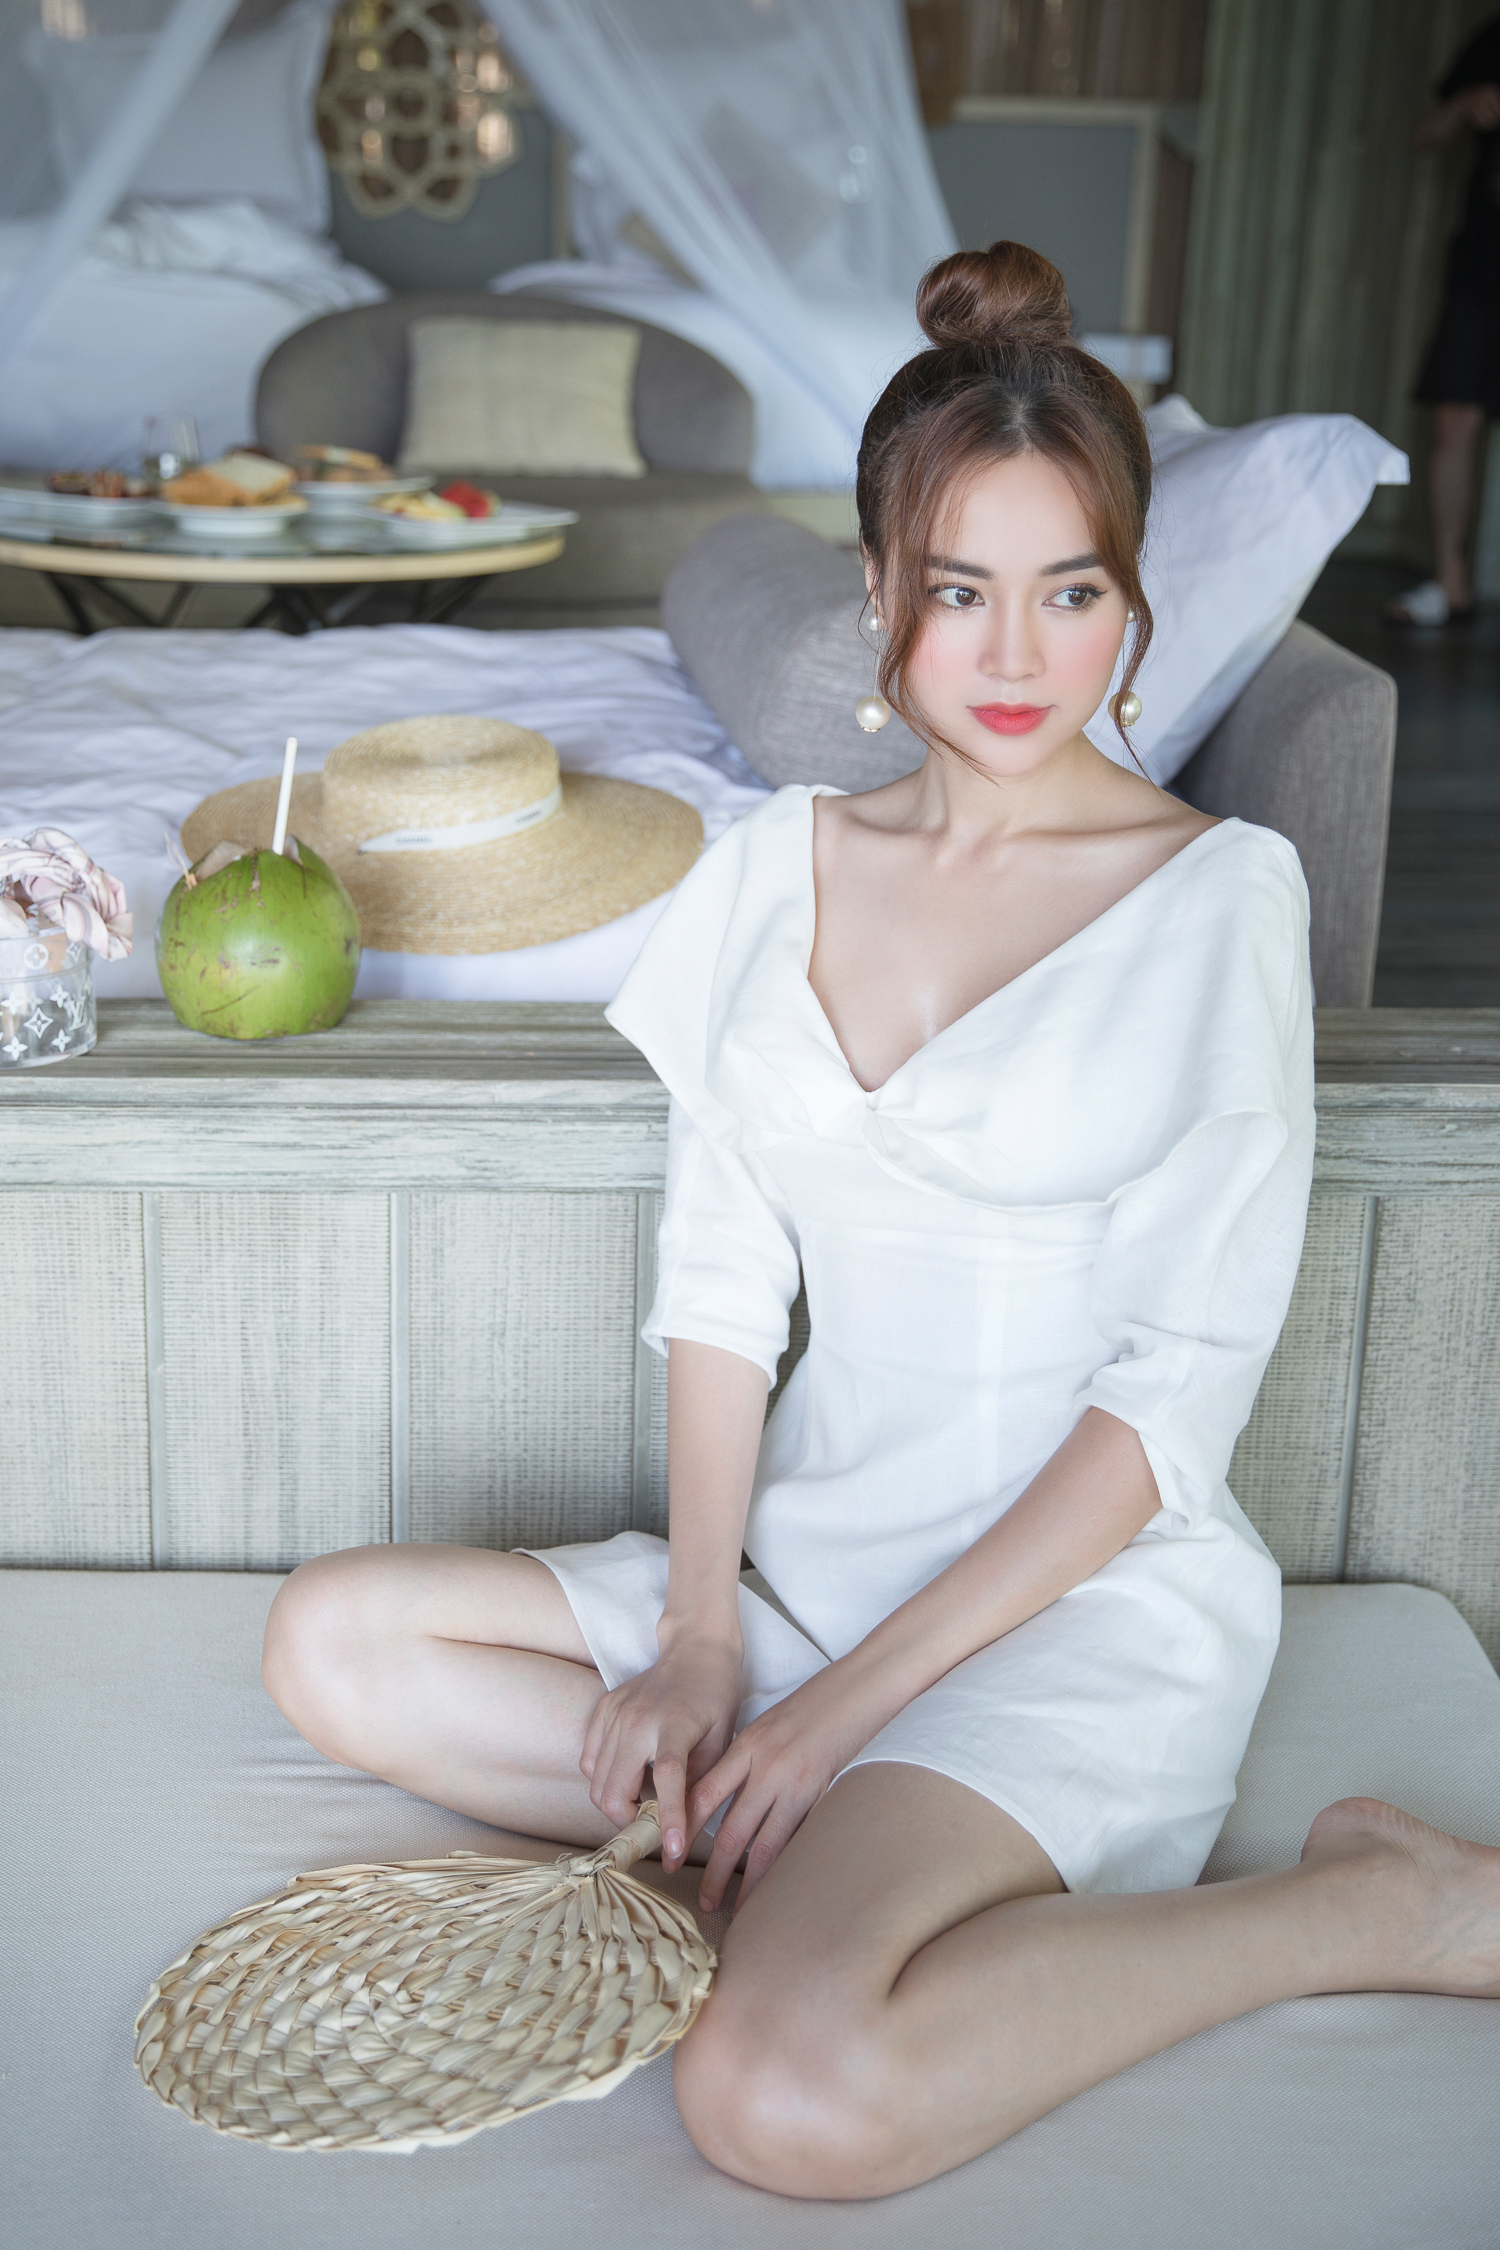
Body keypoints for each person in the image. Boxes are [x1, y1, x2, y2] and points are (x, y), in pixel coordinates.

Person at [262, 242, 1500, 2201]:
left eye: (1070, 590)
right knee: (333, 1645)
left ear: (1132, 606)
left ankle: (1361, 1908)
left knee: (784, 2099)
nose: (1016, 657)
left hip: (1068, 1604)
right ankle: (804, 1815)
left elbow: (1171, 1400)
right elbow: (721, 1281)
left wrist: (839, 1708)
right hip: (800, 1577)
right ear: (879, 597)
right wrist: (700, 1639)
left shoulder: (1221, 902)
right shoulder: (775, 865)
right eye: (958, 590)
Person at [1389, 15, 1500, 625]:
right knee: (1453, 421)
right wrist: (1464, 105)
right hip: (1483, 262)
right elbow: (1424, 133)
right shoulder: (1492, 37)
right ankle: (1451, 580)